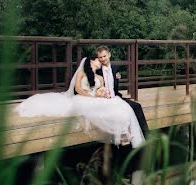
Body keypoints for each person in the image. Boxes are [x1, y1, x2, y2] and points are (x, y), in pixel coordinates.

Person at [16, 53, 145, 149]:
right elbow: (78, 88)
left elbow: (100, 89)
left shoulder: (99, 76)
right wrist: (91, 96)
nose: (100, 61)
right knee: (101, 107)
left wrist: (102, 93)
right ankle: (122, 132)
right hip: (83, 98)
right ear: (92, 61)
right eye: (97, 60)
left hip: (96, 98)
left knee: (118, 104)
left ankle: (124, 133)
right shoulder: (81, 74)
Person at [95, 45, 149, 139]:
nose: (103, 59)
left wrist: (118, 77)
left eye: (104, 56)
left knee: (137, 106)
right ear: (98, 58)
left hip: (116, 97)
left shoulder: (116, 68)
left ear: (109, 55)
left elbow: (116, 80)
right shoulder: (97, 70)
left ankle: (147, 135)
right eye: (100, 57)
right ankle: (127, 135)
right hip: (104, 100)